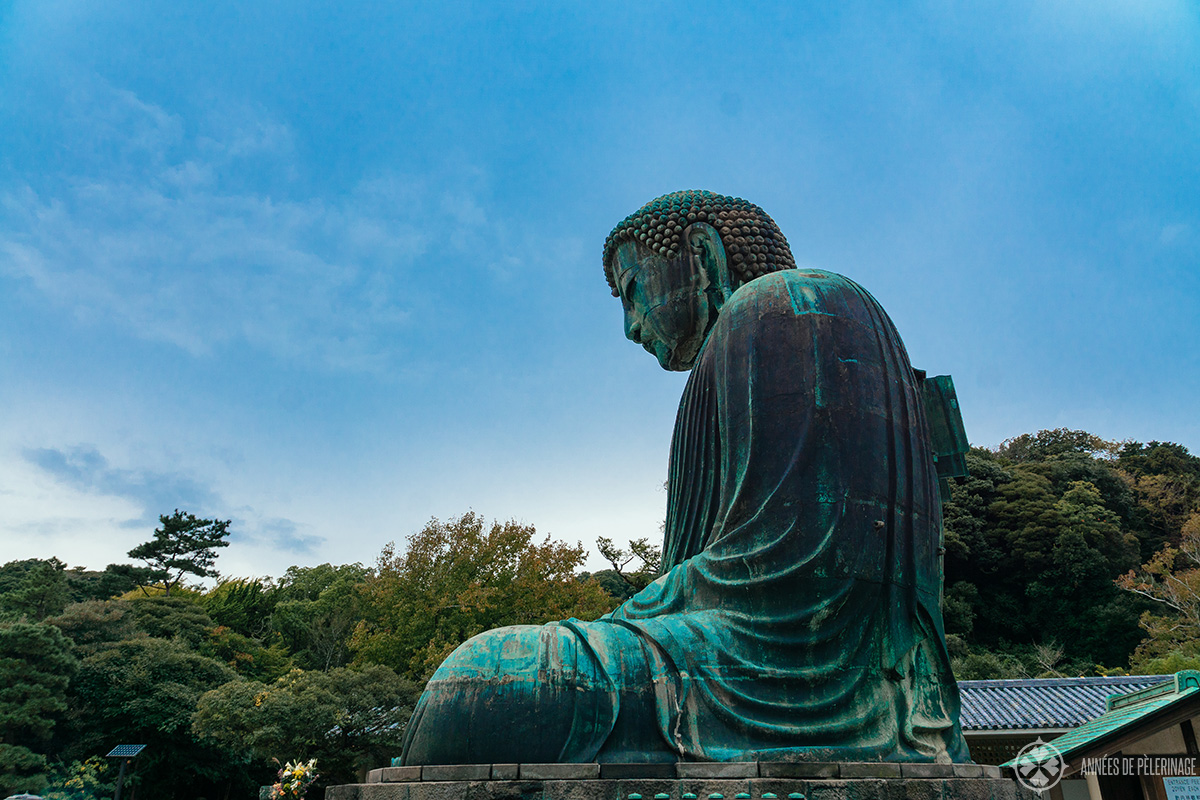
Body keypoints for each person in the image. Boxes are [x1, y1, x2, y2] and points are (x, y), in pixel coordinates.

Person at [401, 190, 970, 765]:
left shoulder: (781, 306)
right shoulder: (779, 326)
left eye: (632, 292)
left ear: (700, 255)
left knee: (482, 682)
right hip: (793, 664)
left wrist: (627, 615)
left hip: (786, 669)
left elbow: (783, 570)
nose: (629, 327)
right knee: (487, 681)